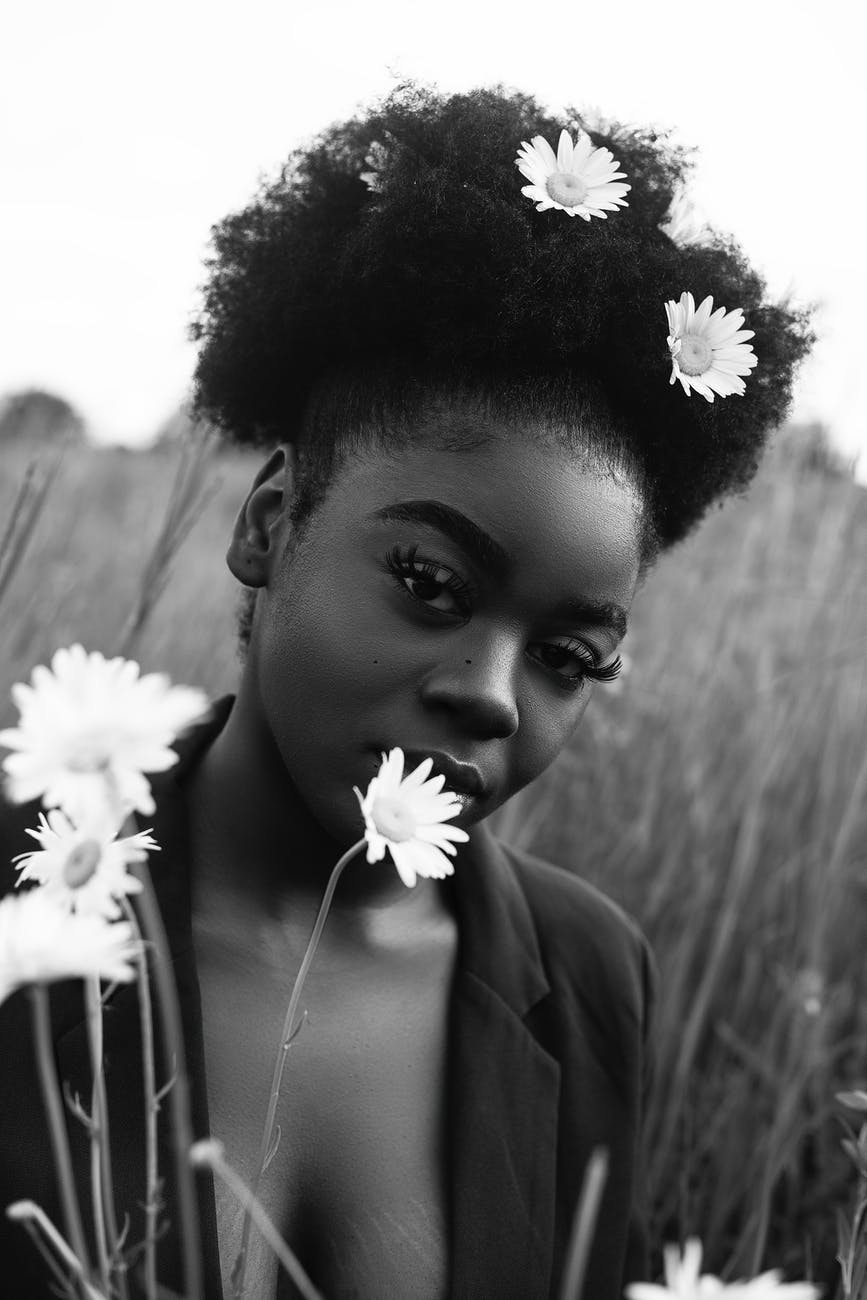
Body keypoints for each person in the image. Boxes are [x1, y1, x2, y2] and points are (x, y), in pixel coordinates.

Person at [0, 84, 811, 1299]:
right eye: (431, 581)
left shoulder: (590, 976)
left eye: (568, 657)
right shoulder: (29, 894)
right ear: (271, 525)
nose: (491, 698)